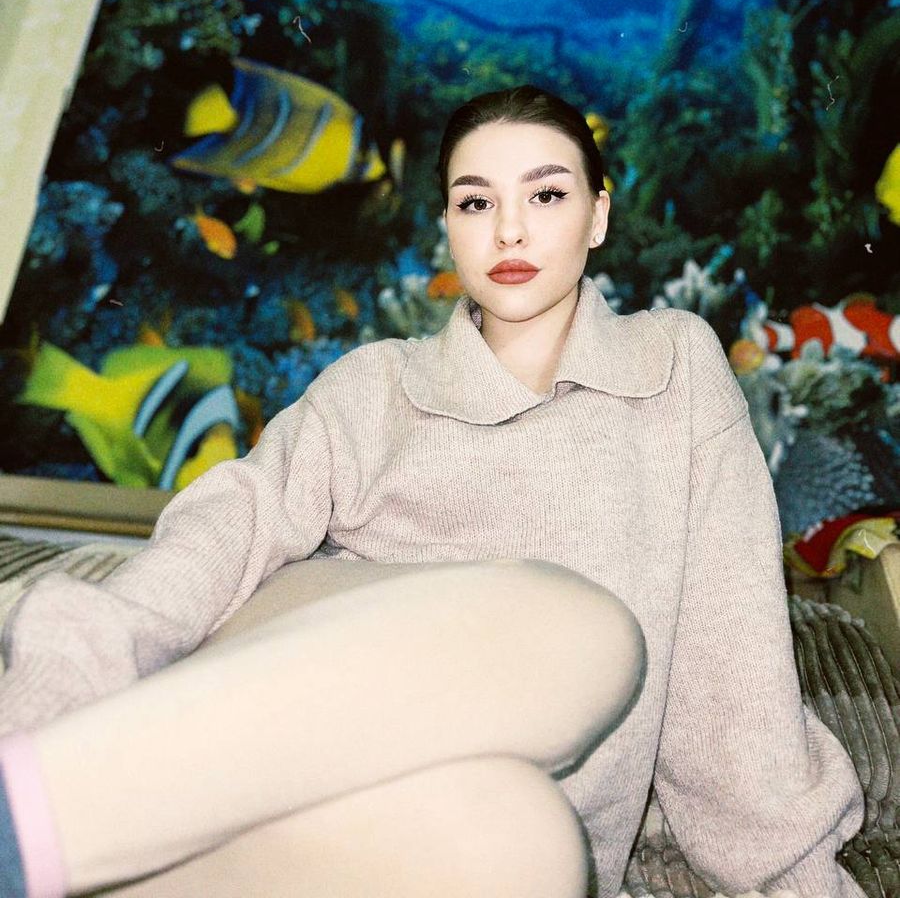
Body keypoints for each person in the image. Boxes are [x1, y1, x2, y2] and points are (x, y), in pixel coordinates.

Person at [0, 85, 866, 898]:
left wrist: (795, 879)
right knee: (582, 633)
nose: (510, 231)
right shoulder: (377, 382)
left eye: (547, 195)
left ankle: (54, 849)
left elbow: (730, 656)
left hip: (391, 823)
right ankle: (28, 799)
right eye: (476, 203)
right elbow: (232, 523)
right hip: (290, 710)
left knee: (536, 846)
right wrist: (65, 671)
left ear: (599, 216)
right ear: (449, 226)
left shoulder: (674, 366)